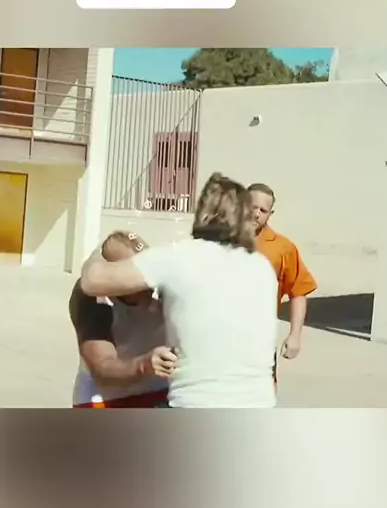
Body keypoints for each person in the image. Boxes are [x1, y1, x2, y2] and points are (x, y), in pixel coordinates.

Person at [80, 174, 279, 408]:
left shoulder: (178, 256)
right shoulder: (263, 266)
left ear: (202, 212)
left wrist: (99, 251)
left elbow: (91, 282)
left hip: (196, 406)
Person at [70, 231, 177, 408]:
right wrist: (143, 366)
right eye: (134, 272)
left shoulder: (163, 286)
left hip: (158, 391)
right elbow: (103, 368)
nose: (146, 280)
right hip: (105, 398)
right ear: (113, 275)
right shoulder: (94, 298)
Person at [247, 183, 317, 375]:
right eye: (252, 207)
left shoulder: (282, 248)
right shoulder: (220, 241)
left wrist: (295, 335)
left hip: (260, 339)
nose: (256, 214)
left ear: (270, 214)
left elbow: (298, 291)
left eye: (263, 210)